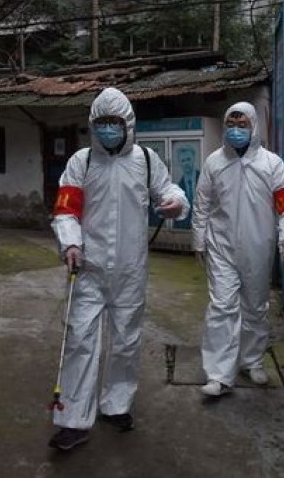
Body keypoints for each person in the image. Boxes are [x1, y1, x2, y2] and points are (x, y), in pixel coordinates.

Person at [48, 87, 189, 450]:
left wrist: (176, 203)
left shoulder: (144, 159)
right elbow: (66, 208)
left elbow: (168, 190)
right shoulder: (82, 162)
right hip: (88, 269)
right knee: (79, 340)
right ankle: (72, 420)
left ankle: (116, 404)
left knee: (126, 341)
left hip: (130, 270)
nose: (108, 129)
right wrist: (71, 242)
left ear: (128, 124)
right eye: (102, 123)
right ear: (93, 125)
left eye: (115, 122)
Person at [192, 102, 284, 397]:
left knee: (254, 307)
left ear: (253, 127)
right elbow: (202, 203)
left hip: (258, 246)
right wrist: (199, 239)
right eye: (231, 124)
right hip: (222, 247)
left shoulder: (272, 165)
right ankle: (218, 375)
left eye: (242, 125)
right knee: (222, 307)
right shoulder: (215, 162)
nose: (236, 130)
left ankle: (251, 360)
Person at [173, 145, 201, 229]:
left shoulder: (203, 179)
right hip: (185, 229)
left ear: (193, 159)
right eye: (183, 160)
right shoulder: (177, 187)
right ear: (179, 163)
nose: (186, 163)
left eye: (188, 159)